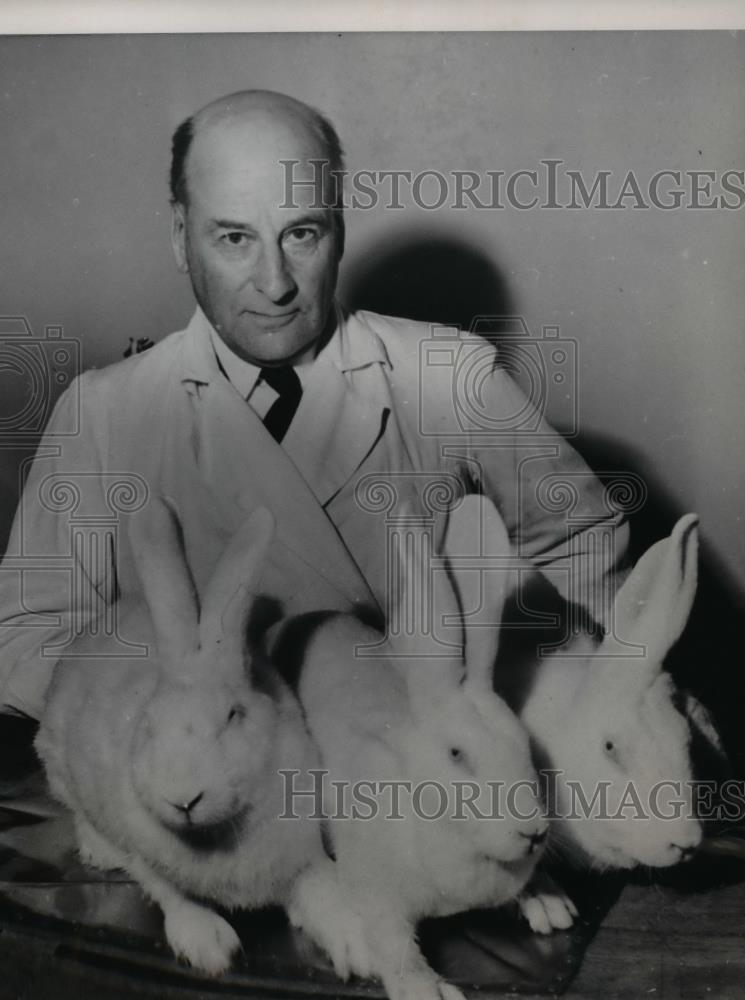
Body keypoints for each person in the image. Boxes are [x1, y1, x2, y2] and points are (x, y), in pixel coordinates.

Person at [0, 89, 628, 724]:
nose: (275, 284)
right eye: (234, 238)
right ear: (179, 237)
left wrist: (527, 697)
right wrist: (190, 691)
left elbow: (587, 552)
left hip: (417, 780)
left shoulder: (450, 375)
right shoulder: (104, 411)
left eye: (301, 233)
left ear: (339, 233)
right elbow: (24, 639)